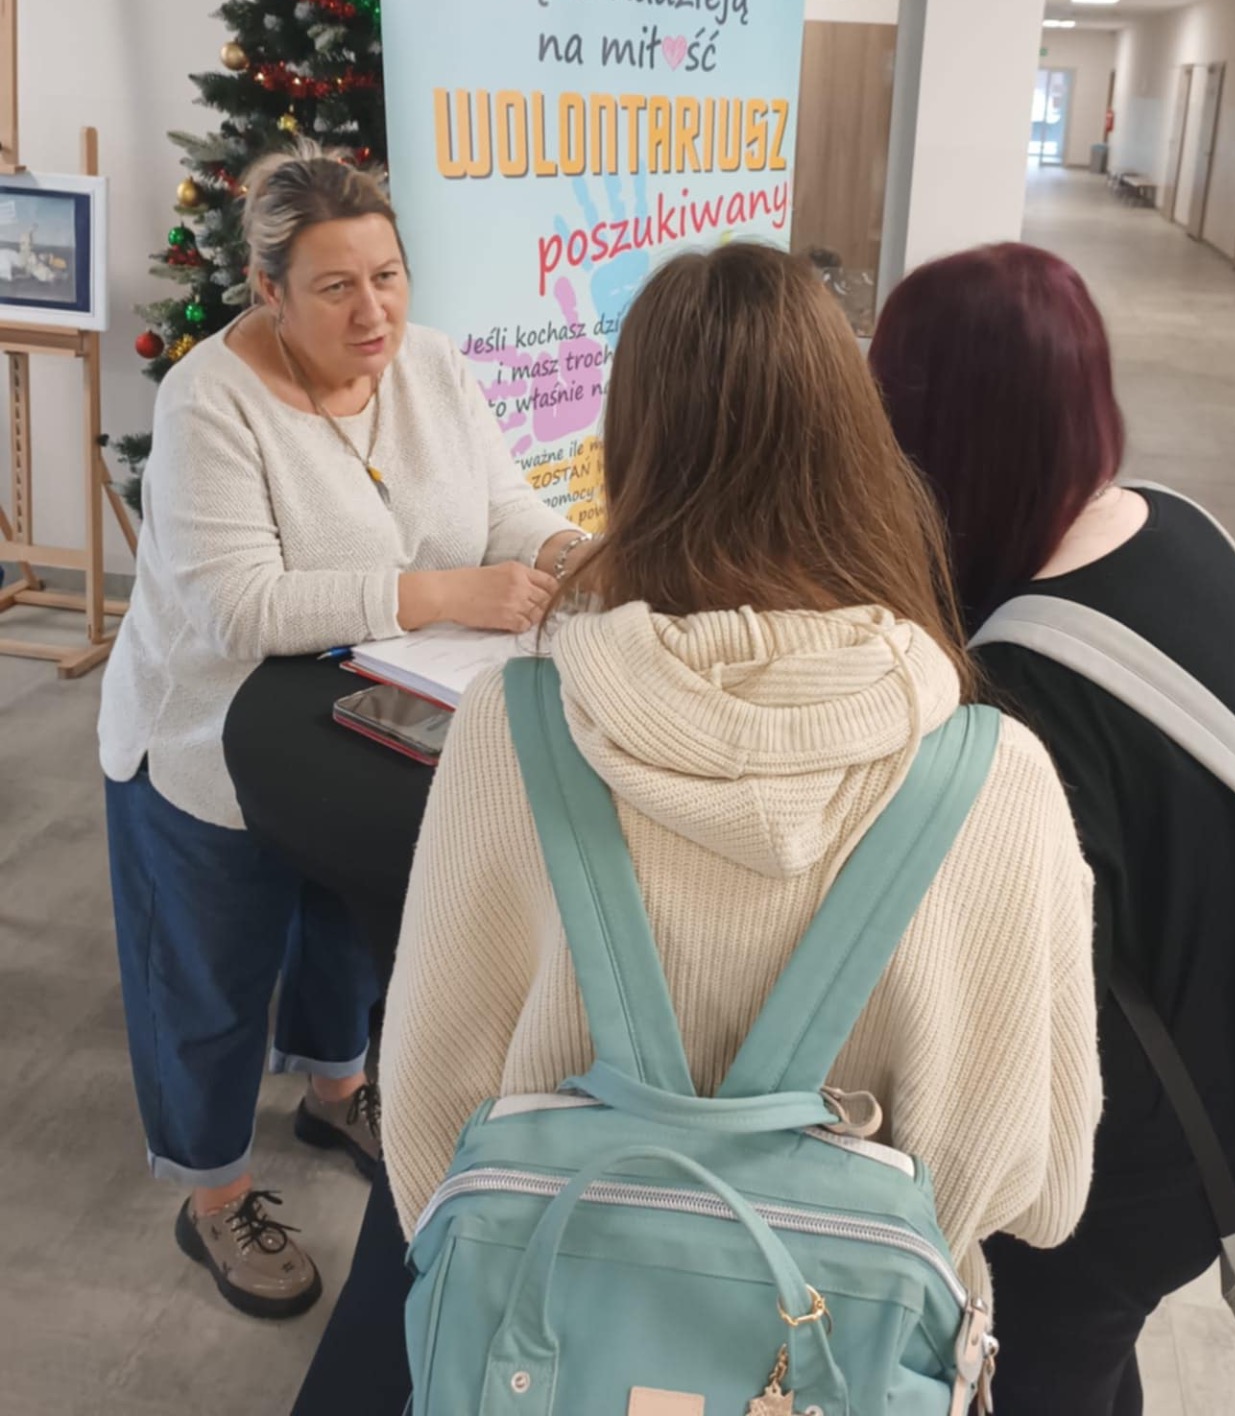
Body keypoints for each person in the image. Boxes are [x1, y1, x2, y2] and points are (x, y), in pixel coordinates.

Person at [380, 240, 1102, 1326]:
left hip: (552, 1345)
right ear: (861, 448)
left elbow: (424, 1136)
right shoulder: (999, 779)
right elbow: (1049, 1196)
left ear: (631, 450)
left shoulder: (507, 734)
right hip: (855, 1362)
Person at [99, 143, 583, 1319]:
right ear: (268, 291)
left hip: (367, 723)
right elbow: (240, 606)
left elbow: (503, 505)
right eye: (335, 287)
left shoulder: (432, 366)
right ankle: (214, 1195)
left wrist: (566, 550)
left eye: (387, 276)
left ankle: (332, 1094)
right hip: (208, 738)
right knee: (212, 975)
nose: (374, 312)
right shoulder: (209, 400)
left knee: (346, 935)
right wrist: (440, 594)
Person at [871, 242, 1235, 1416]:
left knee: (1037, 1371)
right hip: (1222, 1092)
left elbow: (1021, 1008)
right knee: (1093, 1358)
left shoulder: (1025, 687)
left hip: (1112, 1176)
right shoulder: (1185, 534)